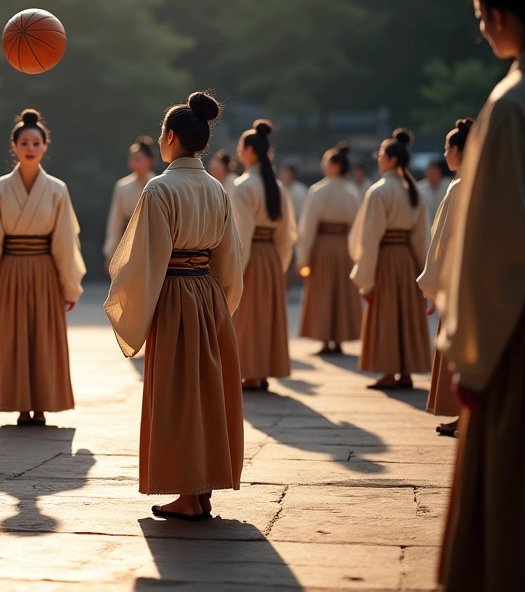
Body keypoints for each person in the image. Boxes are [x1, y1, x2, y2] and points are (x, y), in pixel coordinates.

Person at [437, 0, 525, 591]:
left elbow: (496, 245)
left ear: (498, 16)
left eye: (481, 18)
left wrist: (470, 357)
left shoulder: (511, 105)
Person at [105, 92, 244, 521]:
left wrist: (132, 309)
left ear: (169, 137)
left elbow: (144, 260)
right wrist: (221, 305)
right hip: (208, 295)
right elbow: (230, 258)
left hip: (173, 294)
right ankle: (203, 489)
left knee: (177, 395)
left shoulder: (160, 188)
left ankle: (187, 495)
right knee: (206, 393)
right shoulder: (217, 189)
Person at [0, 109, 86, 426]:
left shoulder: (58, 189)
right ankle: (19, 405)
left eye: (36, 142)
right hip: (10, 271)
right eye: (24, 143)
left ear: (45, 146)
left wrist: (69, 285)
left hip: (45, 271)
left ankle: (43, 405)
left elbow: (65, 242)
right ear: (14, 146)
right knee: (13, 337)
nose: (30, 148)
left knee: (43, 337)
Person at [349, 129, 430, 390]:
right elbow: (422, 237)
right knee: (406, 314)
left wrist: (366, 279)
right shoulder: (413, 190)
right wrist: (424, 271)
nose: (378, 158)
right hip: (407, 259)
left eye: (382, 155)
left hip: (385, 258)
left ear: (393, 159)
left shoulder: (380, 191)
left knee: (386, 314)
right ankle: (405, 371)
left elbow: (370, 236)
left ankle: (388, 371)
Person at [230, 121, 296, 390]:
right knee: (266, 317)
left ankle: (250, 373)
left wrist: (235, 271)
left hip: (251, 256)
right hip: (271, 257)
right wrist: (279, 264)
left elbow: (242, 233)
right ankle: (263, 372)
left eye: (240, 147)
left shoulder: (243, 185)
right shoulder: (277, 186)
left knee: (248, 317)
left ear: (250, 151)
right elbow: (286, 233)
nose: (238, 152)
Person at [418, 120, 473, 438]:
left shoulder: (458, 186)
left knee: (457, 345)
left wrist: (431, 286)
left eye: (446, 148)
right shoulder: (492, 181)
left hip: (459, 277)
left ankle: (463, 413)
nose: (444, 154)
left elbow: (441, 241)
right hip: (485, 275)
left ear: (457, 151)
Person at [295, 144, 363, 354]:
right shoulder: (352, 191)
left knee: (323, 292)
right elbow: (358, 225)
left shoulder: (318, 190)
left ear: (335, 165)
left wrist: (303, 259)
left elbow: (307, 227)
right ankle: (339, 339)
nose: (323, 165)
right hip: (345, 246)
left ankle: (325, 339)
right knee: (342, 292)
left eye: (326, 162)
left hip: (323, 245)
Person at [103, 136, 157, 273]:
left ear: (150, 160)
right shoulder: (122, 186)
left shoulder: (159, 185)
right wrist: (111, 253)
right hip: (128, 245)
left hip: (154, 244)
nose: (134, 163)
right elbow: (115, 222)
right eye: (132, 159)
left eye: (138, 159)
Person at [417, 160, 451, 225]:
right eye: (430, 170)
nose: (432, 173)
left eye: (435, 170)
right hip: (427, 224)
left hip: (445, 223)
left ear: (439, 171)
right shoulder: (420, 188)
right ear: (426, 172)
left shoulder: (448, 185)